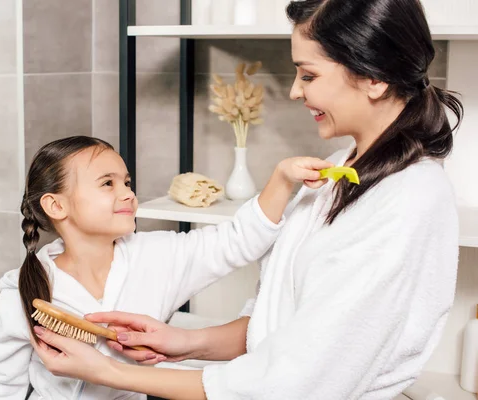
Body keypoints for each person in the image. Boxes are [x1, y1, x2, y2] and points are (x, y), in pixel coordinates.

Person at [30, 0, 464, 399]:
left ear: (374, 77)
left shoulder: (409, 200)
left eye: (308, 75)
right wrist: (182, 340)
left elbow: (300, 379)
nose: (295, 91)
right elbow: (280, 324)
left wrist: (108, 372)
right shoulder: (339, 169)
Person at [0, 135, 333, 399]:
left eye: (127, 182)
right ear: (56, 206)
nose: (129, 194)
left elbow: (237, 241)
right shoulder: (22, 292)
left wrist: (282, 180)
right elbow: (1, 383)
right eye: (108, 184)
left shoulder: (159, 256)